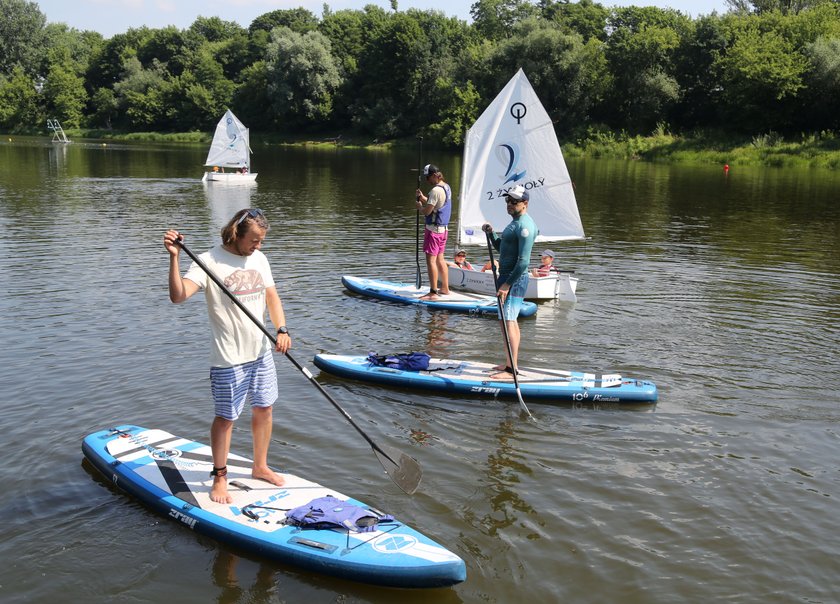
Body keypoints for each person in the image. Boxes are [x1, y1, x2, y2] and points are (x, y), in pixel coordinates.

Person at [163, 208, 292, 504]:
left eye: (261, 240)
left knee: (265, 408)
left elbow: (271, 296)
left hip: (260, 352)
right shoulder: (208, 262)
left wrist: (282, 328)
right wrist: (174, 258)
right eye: (255, 240)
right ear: (237, 234)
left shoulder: (259, 258)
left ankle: (259, 466)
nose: (258, 246)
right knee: (226, 418)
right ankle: (219, 478)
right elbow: (178, 295)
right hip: (228, 357)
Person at [482, 185, 538, 379]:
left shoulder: (525, 227)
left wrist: (506, 285)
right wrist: (491, 234)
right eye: (508, 200)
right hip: (504, 277)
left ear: (525, 204)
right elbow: (502, 249)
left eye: (514, 201)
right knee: (503, 322)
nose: (510, 204)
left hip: (515, 279)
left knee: (509, 320)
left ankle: (512, 369)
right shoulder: (513, 223)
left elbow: (523, 263)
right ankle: (508, 364)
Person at [415, 163, 451, 300]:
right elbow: (435, 204)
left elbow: (427, 211)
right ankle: (445, 288)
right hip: (444, 230)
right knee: (440, 259)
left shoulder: (436, 191)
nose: (427, 180)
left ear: (435, 175)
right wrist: (423, 197)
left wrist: (419, 206)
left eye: (428, 177)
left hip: (434, 231)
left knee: (431, 261)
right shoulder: (446, 187)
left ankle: (433, 292)